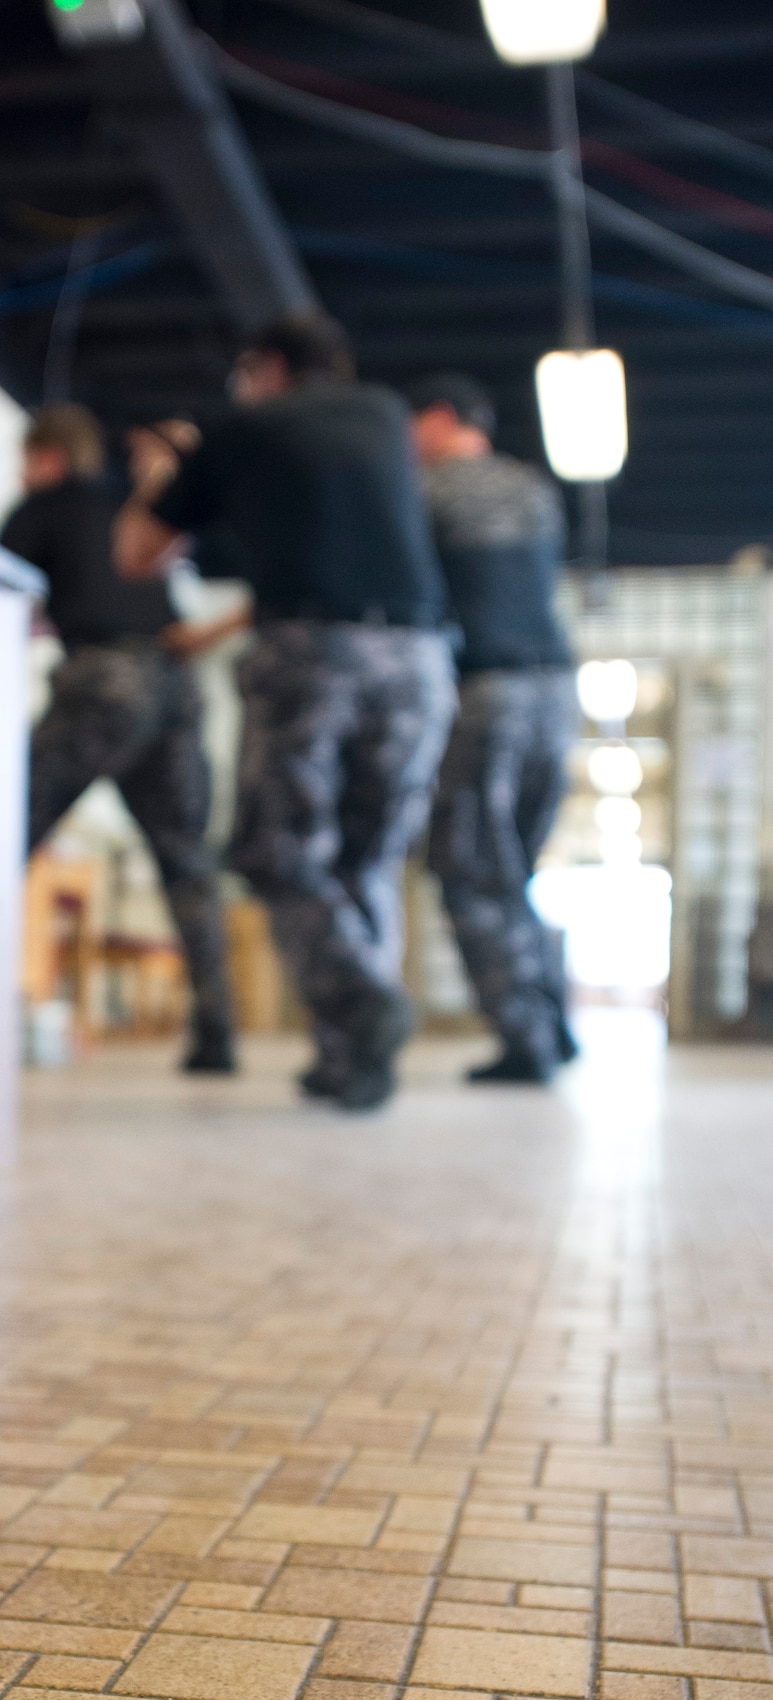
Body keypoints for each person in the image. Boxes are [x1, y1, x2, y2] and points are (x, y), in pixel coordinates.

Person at [115, 313, 454, 1110]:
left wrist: (163, 471)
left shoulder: (243, 427)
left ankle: (359, 998)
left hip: (312, 653)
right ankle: (352, 1061)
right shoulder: (383, 418)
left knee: (277, 853)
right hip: (419, 657)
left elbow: (136, 555)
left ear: (264, 368)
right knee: (363, 860)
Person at [0, 403, 240, 1074]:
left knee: (0, 835)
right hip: (173, 678)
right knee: (187, 863)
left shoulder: (42, 506)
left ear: (43, 457)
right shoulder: (124, 508)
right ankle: (216, 1029)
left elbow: (0, 596)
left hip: (103, 681)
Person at [408, 372, 580, 1084]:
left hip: (488, 689)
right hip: (556, 689)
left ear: (442, 418)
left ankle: (525, 1042)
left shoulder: (427, 491)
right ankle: (554, 1024)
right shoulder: (533, 487)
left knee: (471, 868)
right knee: (514, 871)